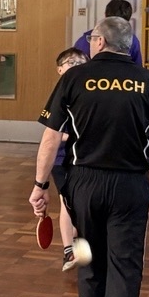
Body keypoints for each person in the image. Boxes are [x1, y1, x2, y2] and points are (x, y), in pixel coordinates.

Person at [28, 16, 149, 297]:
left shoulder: (73, 78)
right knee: (125, 267)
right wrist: (146, 179)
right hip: (130, 185)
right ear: (127, 45)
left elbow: (50, 139)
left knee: (88, 255)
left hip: (84, 184)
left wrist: (40, 185)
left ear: (98, 42)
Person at [53, 46, 86, 270]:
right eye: (71, 63)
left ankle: (77, 242)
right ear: (60, 69)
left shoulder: (89, 95)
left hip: (84, 159)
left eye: (80, 63)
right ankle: (68, 251)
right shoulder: (59, 97)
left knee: (80, 205)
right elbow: (54, 134)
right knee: (67, 202)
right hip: (62, 160)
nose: (76, 67)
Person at [73, 0, 144, 65]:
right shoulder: (132, 40)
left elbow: (74, 66)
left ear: (105, 15)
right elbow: (137, 68)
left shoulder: (86, 39)